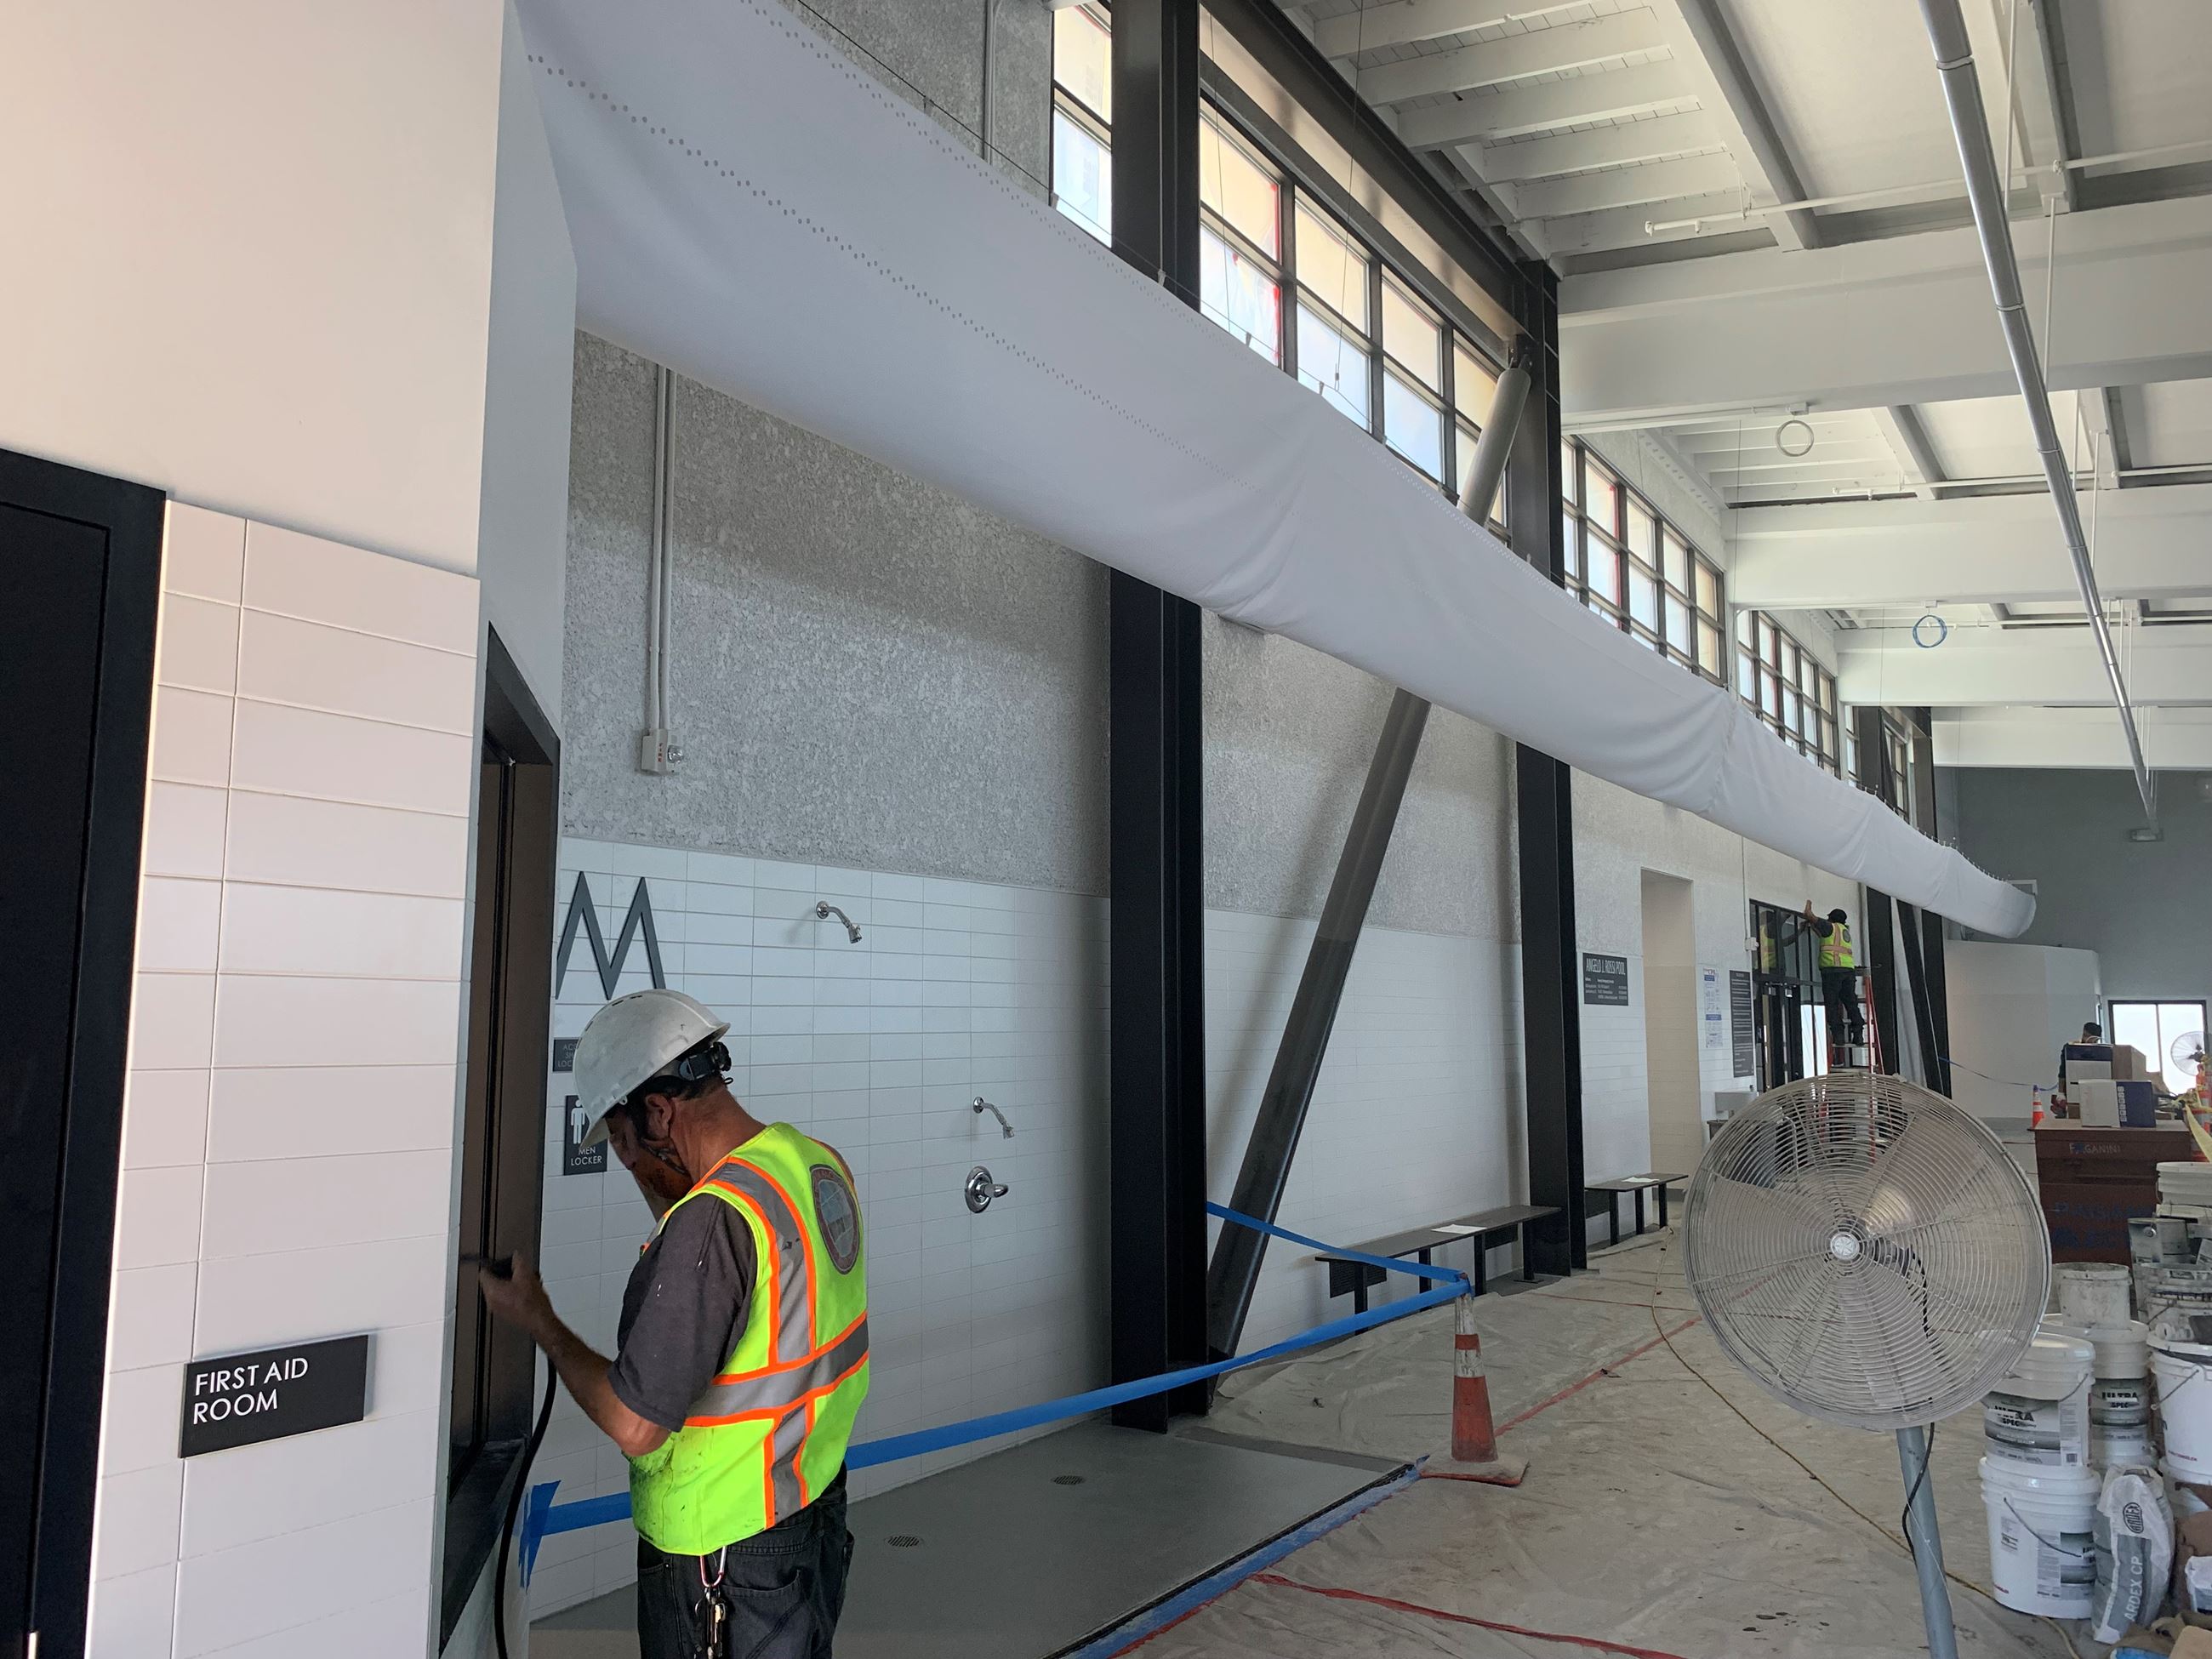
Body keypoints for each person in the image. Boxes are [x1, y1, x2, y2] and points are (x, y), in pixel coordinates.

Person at [480, 988, 867, 1657]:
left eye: (626, 1144)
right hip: (809, 1512)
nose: (629, 1166)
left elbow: (637, 1424)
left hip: (725, 1554)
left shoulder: (713, 1222)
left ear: (659, 1110)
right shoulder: (815, 1164)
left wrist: (540, 1321)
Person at [1801, 902, 1866, 1048]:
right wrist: (1813, 928)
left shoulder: (1831, 927)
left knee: (1832, 1004)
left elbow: (1812, 917)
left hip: (1832, 972)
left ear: (1831, 919)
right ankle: (1858, 1034)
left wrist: (1809, 910)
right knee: (1851, 1004)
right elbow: (1824, 935)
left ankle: (1839, 1036)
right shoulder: (1844, 931)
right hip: (1848, 972)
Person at [2060, 1020, 2105, 1093]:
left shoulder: (2103, 1052)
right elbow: (2062, 1072)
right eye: (2084, 1035)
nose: (2086, 1039)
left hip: (2096, 1088)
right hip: (2073, 1087)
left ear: (2097, 1038)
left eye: (2089, 1037)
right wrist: (2060, 1093)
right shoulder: (2071, 1048)